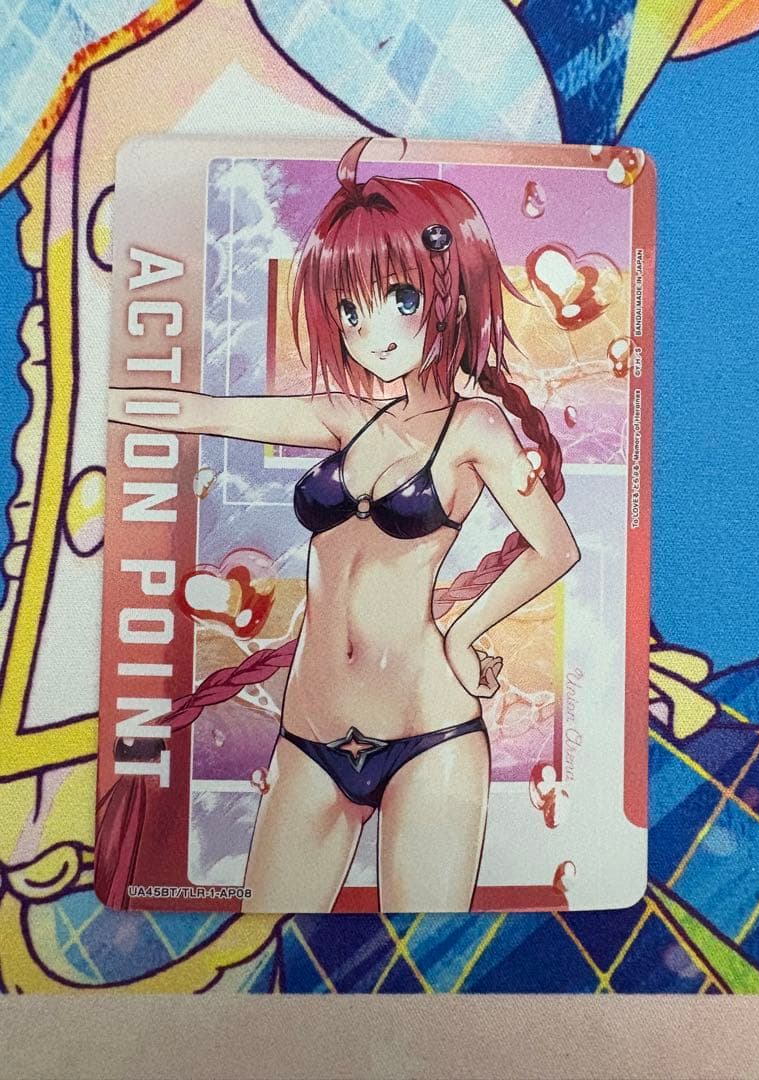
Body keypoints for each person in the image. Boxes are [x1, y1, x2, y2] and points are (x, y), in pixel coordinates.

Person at [108, 138, 579, 912]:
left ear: (451, 292)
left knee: (424, 957)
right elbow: (202, 411)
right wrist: (99, 392)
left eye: (399, 299)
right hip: (310, 735)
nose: (371, 332)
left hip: (430, 731)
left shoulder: (476, 430)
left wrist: (463, 633)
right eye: (351, 310)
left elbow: (554, 549)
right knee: (261, 932)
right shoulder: (343, 415)